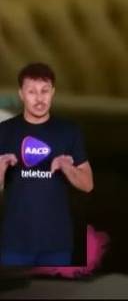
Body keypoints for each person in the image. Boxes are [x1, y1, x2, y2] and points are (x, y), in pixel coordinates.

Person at [0, 63, 93, 267]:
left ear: (53, 92)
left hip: (56, 243)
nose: (39, 98)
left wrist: (67, 167)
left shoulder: (69, 131)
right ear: (21, 94)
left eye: (44, 91)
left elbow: (88, 185)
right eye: (32, 92)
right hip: (13, 243)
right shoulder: (4, 131)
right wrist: (1, 167)